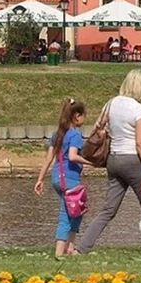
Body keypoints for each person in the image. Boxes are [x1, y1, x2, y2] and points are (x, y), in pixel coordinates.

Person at [74, 69, 141, 255]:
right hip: (133, 160)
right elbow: (140, 143)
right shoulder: (139, 109)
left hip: (113, 159)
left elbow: (97, 127)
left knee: (108, 209)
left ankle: (82, 248)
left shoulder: (111, 103)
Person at [34, 98, 92, 257]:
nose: (84, 119)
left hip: (56, 178)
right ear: (77, 116)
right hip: (70, 179)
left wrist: (40, 180)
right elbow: (73, 157)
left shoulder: (57, 135)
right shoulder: (75, 135)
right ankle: (59, 253)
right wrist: (92, 162)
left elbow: (48, 159)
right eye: (83, 116)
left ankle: (70, 248)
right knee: (67, 215)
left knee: (77, 211)